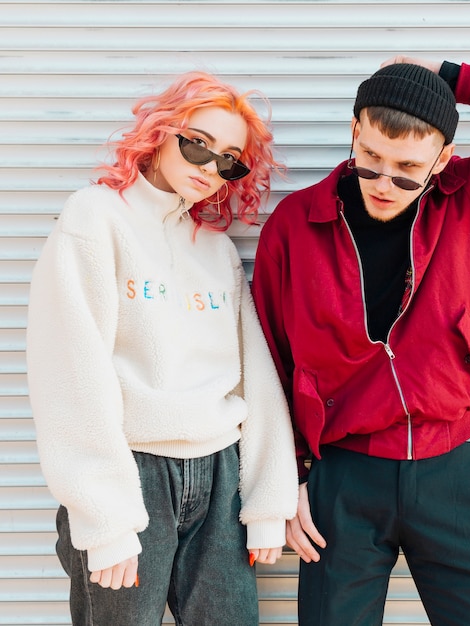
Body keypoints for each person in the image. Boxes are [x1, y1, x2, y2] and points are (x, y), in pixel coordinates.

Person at [251, 56, 470, 626]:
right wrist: (284, 479)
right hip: (344, 479)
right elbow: (269, 362)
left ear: (442, 160)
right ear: (355, 133)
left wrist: (453, 77)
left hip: (453, 473)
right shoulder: (293, 225)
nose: (384, 184)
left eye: (408, 169)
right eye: (371, 160)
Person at [26, 71, 298, 626]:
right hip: (131, 472)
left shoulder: (216, 250)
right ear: (161, 130)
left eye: (230, 160)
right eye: (198, 144)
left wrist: (269, 503)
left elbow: (255, 377)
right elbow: (72, 370)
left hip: (220, 476)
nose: (210, 167)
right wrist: (105, 518)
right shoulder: (94, 219)